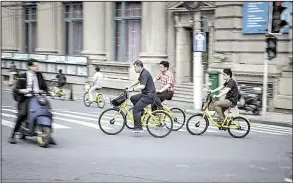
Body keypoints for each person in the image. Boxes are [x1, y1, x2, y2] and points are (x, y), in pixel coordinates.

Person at [9, 59, 56, 145]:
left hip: (38, 97)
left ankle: (49, 135)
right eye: (35, 66)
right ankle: (13, 135)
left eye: (37, 65)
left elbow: (44, 86)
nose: (37, 67)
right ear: (30, 66)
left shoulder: (39, 75)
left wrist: (49, 92)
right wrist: (23, 90)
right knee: (22, 114)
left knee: (48, 112)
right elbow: (16, 88)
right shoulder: (23, 75)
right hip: (27, 98)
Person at [127, 60, 156, 133]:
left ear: (139, 66)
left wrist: (132, 90)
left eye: (135, 67)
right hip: (145, 94)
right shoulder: (142, 72)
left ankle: (138, 128)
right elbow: (138, 81)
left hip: (149, 96)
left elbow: (142, 86)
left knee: (135, 109)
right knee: (132, 98)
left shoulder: (144, 74)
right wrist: (129, 86)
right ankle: (141, 111)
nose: (134, 69)